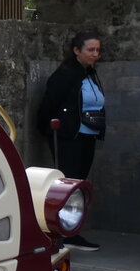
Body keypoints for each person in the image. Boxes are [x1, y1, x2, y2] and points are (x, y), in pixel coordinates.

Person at [37, 31, 104, 251]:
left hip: (87, 135)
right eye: (90, 50)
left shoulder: (90, 73)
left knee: (80, 183)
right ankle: (64, 233)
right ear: (77, 51)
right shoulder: (65, 74)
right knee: (69, 185)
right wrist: (47, 128)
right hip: (69, 137)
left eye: (97, 50)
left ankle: (71, 230)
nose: (95, 54)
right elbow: (49, 103)